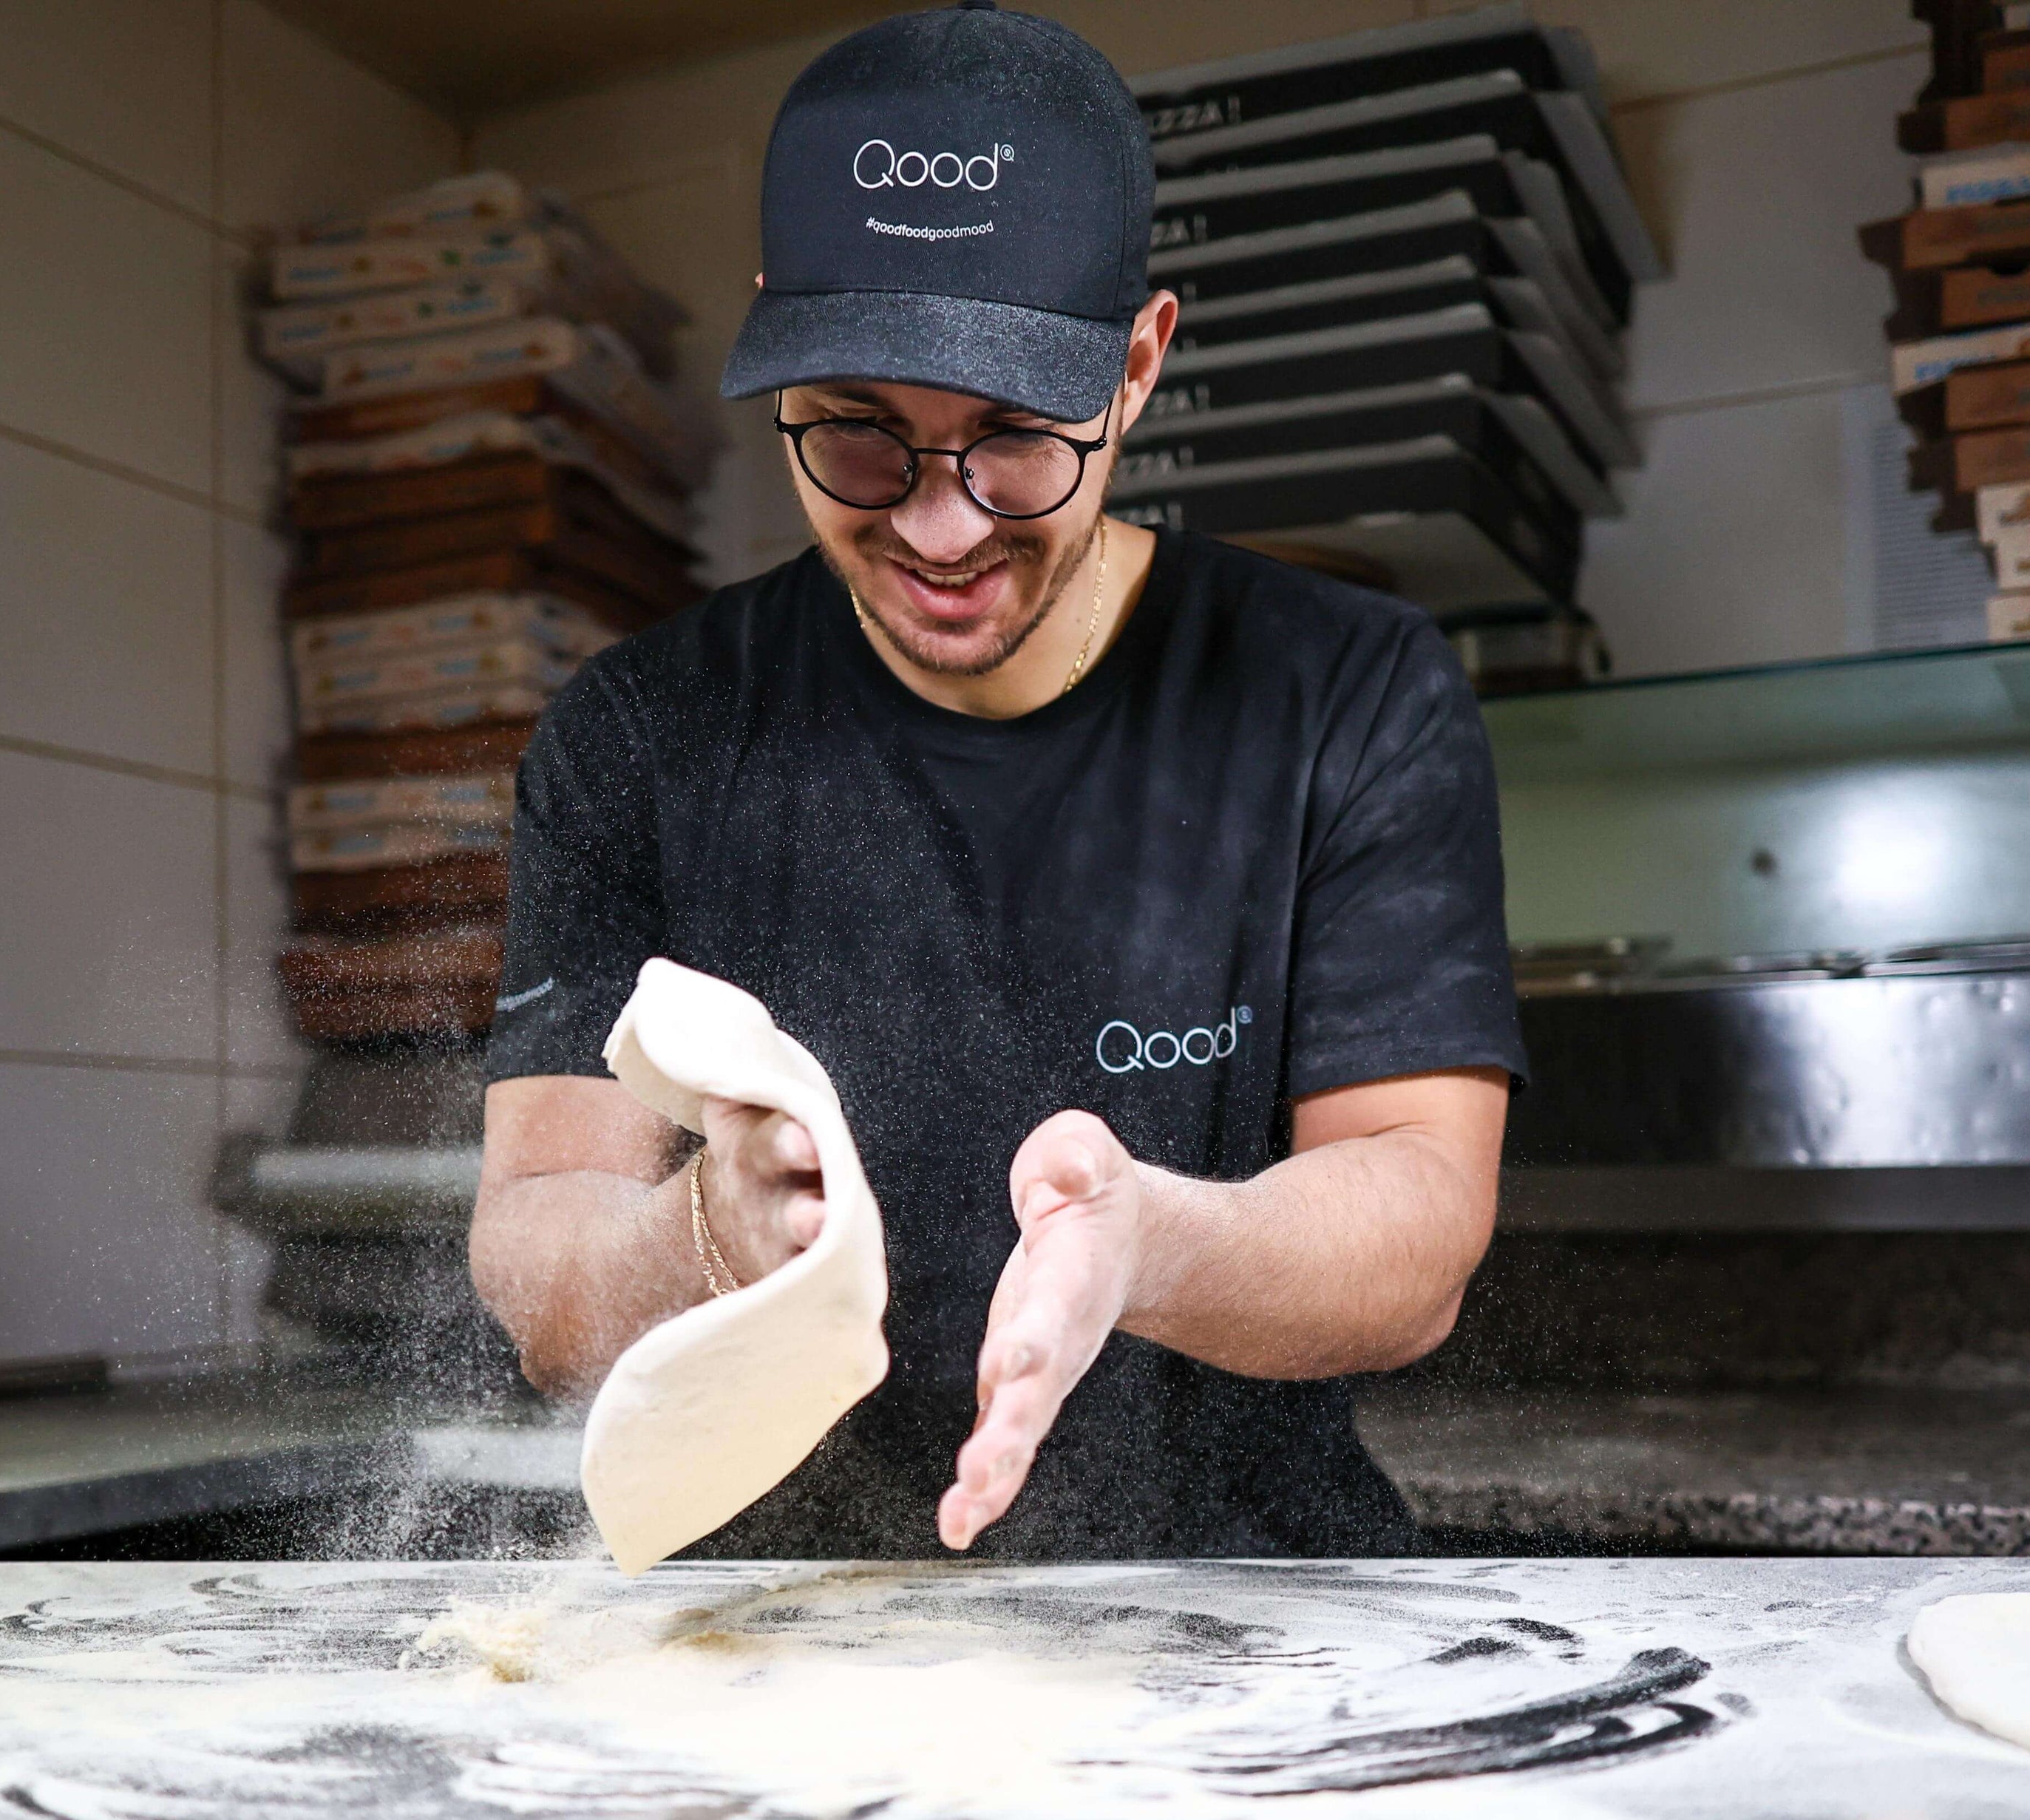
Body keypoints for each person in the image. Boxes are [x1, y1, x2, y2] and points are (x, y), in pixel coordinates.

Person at [468, 0, 1525, 1559]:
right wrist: (699, 1235)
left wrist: (1149, 1243)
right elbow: (539, 1239)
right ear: (784, 354)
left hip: (1252, 1629)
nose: (942, 525)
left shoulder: (1344, 692)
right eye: (860, 434)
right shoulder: (643, 732)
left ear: (1141, 365)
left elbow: (1420, 1223)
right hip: (776, 1640)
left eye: (1019, 437)